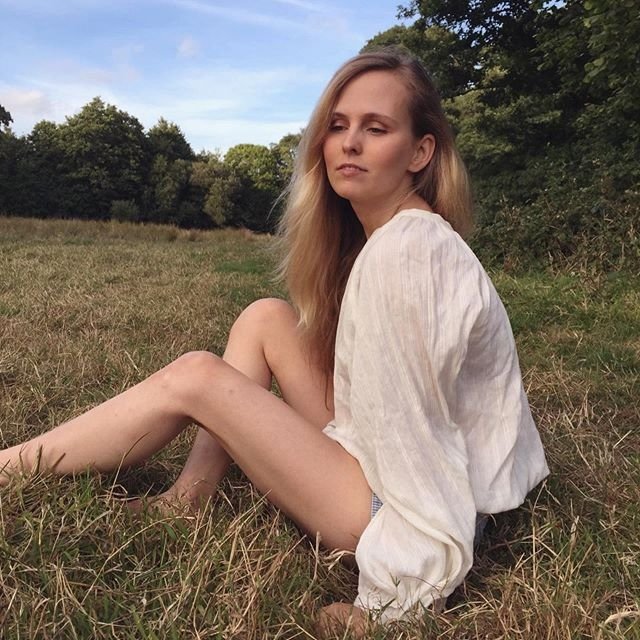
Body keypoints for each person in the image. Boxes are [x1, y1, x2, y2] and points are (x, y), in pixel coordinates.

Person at [0, 49, 549, 634]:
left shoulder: (409, 252)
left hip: (409, 511)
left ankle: (7, 468)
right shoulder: (396, 238)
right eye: (337, 126)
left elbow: (419, 439)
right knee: (266, 318)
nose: (349, 143)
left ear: (420, 152)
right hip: (399, 475)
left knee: (196, 376)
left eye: (376, 128)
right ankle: (189, 499)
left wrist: (395, 602)